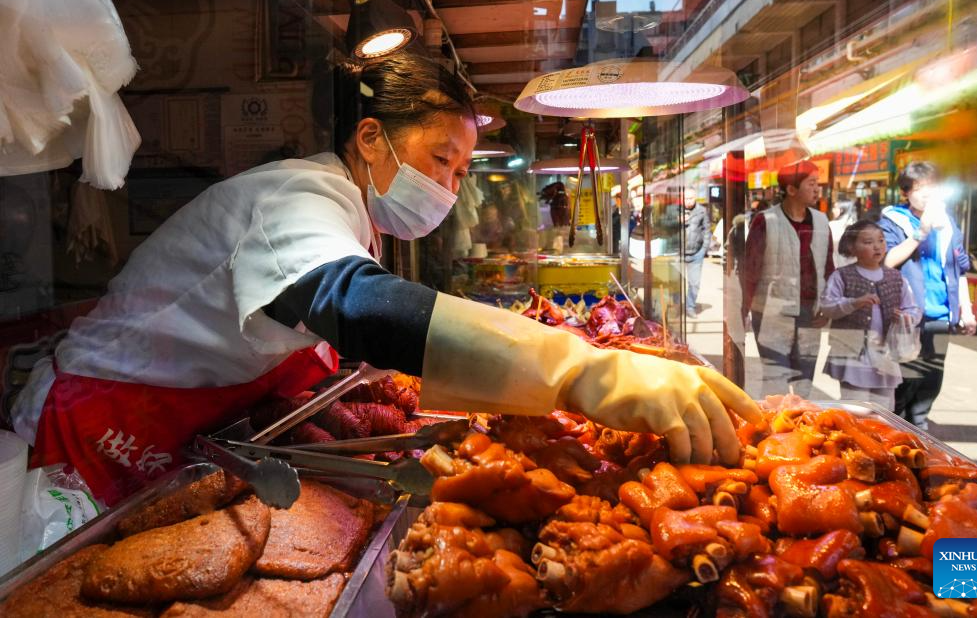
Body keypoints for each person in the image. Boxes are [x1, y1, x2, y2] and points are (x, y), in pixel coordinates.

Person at [6, 53, 760, 504]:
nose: (451, 186)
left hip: (193, 411)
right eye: (441, 160)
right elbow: (351, 303)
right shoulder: (294, 196)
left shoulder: (349, 211)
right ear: (370, 138)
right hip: (106, 419)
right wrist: (580, 370)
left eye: (461, 171)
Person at [878, 161, 975, 429]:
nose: (927, 194)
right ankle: (897, 439)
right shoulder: (893, 220)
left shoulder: (948, 224)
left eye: (932, 187)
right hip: (907, 319)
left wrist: (966, 310)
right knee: (904, 385)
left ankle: (919, 439)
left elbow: (960, 269)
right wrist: (920, 232)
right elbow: (887, 260)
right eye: (919, 188)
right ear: (906, 192)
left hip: (940, 317)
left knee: (930, 385)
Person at [741, 161, 835, 398]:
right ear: (791, 190)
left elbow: (829, 268)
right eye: (811, 184)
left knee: (805, 380)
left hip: (810, 313)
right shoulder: (766, 221)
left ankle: (802, 428)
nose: (817, 190)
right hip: (772, 313)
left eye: (818, 184)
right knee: (776, 381)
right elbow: (749, 271)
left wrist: (828, 306)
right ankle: (776, 430)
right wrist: (743, 311)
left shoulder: (822, 222)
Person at [820, 220, 921, 410]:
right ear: (851, 247)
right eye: (868, 242)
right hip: (853, 354)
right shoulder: (842, 275)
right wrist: (853, 303)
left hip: (886, 354)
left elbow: (913, 308)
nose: (877, 246)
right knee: (854, 407)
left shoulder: (896, 277)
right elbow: (827, 305)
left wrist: (906, 317)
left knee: (883, 409)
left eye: (881, 241)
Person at [682, 188, 709, 318]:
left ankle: (690, 307)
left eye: (690, 198)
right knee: (676, 283)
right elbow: (667, 226)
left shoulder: (702, 211)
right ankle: (676, 307)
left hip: (696, 253)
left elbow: (706, 231)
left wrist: (704, 249)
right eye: (685, 198)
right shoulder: (677, 210)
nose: (688, 201)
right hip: (679, 253)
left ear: (695, 197)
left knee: (694, 283)